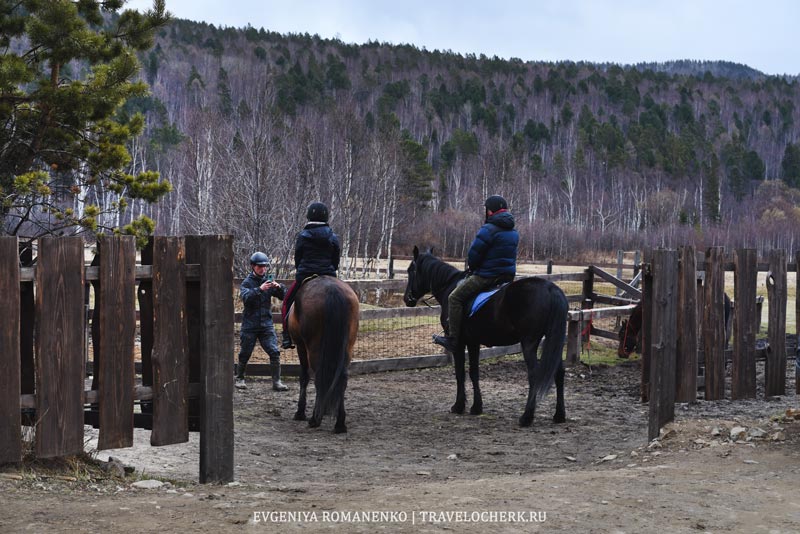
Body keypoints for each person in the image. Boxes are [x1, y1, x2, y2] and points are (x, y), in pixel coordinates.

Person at [432, 195, 519, 352]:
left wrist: (473, 267)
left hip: (487, 277)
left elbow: (474, 255)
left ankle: (453, 339)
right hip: (506, 277)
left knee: (454, 297)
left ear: (490, 211)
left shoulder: (488, 229)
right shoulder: (513, 232)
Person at [281, 201, 341, 349]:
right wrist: (329, 270)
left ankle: (286, 336)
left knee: (286, 302)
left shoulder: (302, 236)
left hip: (306, 275)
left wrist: (302, 270)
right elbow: (336, 260)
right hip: (328, 274)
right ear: (326, 217)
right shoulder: (333, 236)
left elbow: (298, 258)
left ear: (308, 216)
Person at [236, 251, 289, 391]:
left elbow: (284, 297)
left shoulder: (269, 281)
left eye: (265, 266)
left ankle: (277, 382)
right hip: (250, 325)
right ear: (253, 266)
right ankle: (239, 378)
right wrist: (259, 289)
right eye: (260, 266)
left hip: (266, 324)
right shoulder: (247, 282)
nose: (263, 269)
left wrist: (279, 288)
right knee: (245, 352)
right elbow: (246, 298)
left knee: (274, 352)